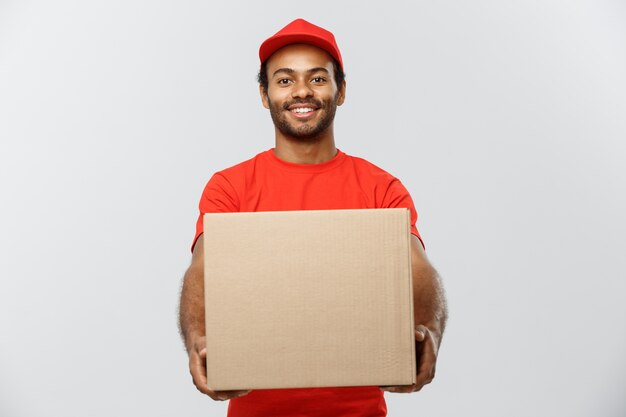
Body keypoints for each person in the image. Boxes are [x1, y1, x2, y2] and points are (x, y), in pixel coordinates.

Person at [178, 18, 448, 417]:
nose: (302, 91)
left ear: (340, 92)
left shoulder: (380, 187)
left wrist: (430, 333)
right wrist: (199, 340)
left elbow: (418, 269)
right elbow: (201, 269)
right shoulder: (230, 187)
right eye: (284, 80)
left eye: (318, 79)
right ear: (264, 94)